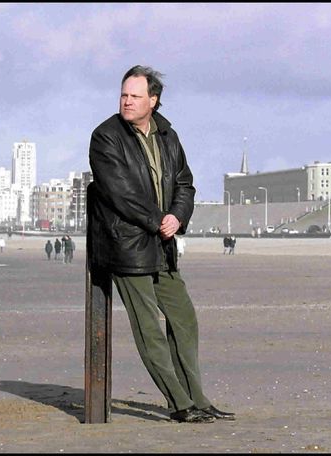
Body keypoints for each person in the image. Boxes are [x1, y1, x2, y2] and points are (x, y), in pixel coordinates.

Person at [88, 65, 235, 424]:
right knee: (149, 329)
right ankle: (180, 404)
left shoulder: (167, 134)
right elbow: (119, 192)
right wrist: (158, 220)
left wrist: (177, 217)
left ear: (153, 100)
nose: (127, 101)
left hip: (164, 245)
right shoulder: (106, 137)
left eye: (135, 96)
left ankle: (198, 399)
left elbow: (185, 183)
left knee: (184, 320)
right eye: (124, 95)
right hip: (128, 247)